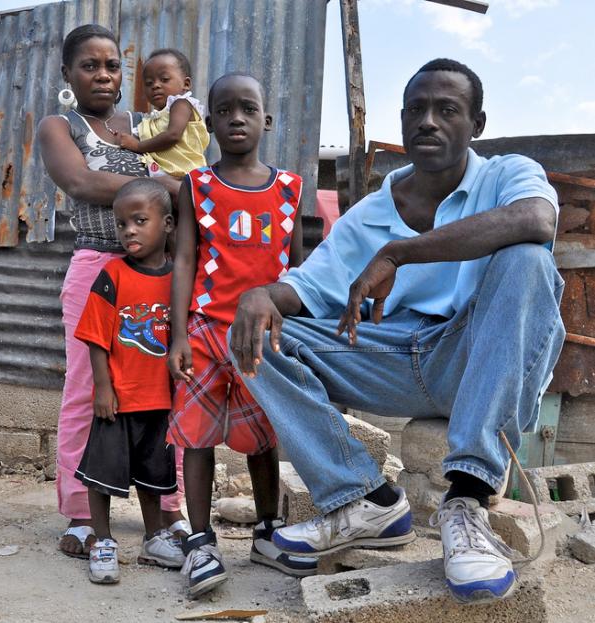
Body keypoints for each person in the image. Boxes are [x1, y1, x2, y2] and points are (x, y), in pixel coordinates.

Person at [229, 59, 564, 603]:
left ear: (476, 124)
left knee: (526, 261)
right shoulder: (370, 214)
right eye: (417, 110)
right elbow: (307, 288)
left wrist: (400, 252)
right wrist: (259, 295)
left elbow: (537, 222)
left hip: (479, 357)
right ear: (403, 120)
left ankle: (467, 500)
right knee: (256, 334)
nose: (428, 122)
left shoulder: (508, 175)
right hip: (397, 361)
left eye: (447, 110)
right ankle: (365, 499)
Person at [37, 24, 187, 559]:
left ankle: (169, 510)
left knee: (167, 386)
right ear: (67, 74)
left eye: (112, 65)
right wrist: (166, 189)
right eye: (90, 66)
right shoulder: (61, 127)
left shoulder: (143, 126)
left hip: (158, 273)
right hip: (98, 268)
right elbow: (81, 183)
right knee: (87, 390)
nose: (103, 75)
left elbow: (188, 157)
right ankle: (80, 513)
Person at [167, 72, 317, 598]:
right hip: (207, 329)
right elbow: (184, 258)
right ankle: (202, 541)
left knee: (264, 436)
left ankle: (267, 531)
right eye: (225, 110)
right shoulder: (197, 185)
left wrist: (302, 329)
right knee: (197, 434)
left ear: (266, 120)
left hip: (267, 333)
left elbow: (297, 269)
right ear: (209, 123)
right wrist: (178, 333)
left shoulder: (289, 189)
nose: (236, 118)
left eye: (248, 109)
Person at [73, 178, 184, 584]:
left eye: (140, 221)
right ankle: (102, 540)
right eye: (122, 224)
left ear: (168, 224)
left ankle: (155, 537)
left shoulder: (179, 278)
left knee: (154, 473)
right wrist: (103, 388)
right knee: (102, 473)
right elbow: (96, 336)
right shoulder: (112, 273)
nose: (129, 231)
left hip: (160, 399)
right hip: (118, 398)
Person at [114, 48, 209, 179]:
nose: (155, 85)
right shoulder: (154, 118)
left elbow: (172, 135)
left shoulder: (181, 104)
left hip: (187, 176)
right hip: (167, 176)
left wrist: (137, 145)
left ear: (186, 84)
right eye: (149, 83)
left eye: (164, 79)